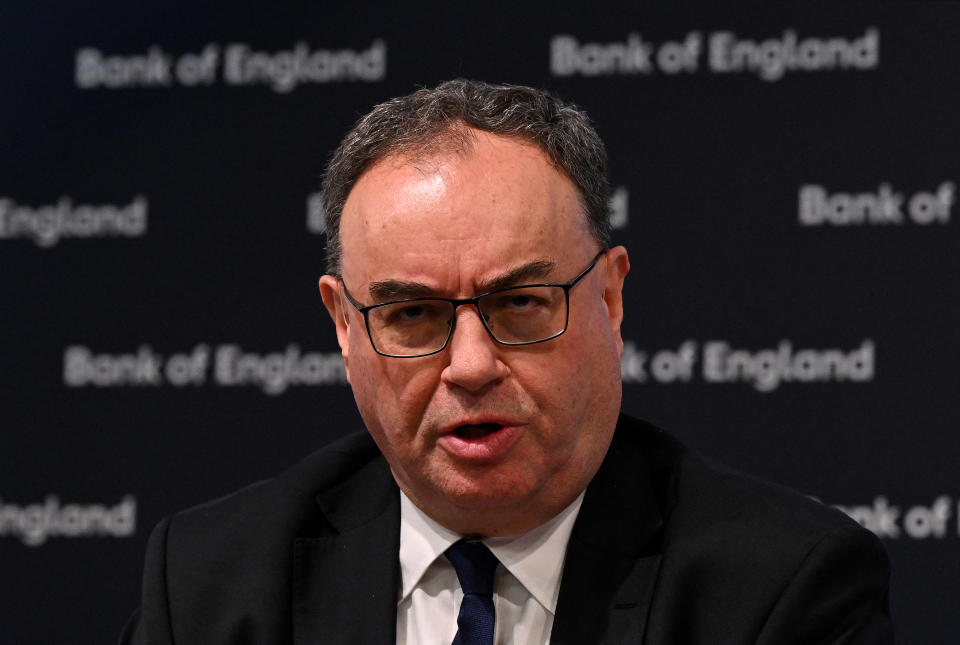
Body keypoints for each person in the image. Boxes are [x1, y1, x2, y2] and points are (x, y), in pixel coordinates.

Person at [120, 79, 893, 644]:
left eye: (520, 303)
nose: (471, 364)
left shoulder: (782, 591)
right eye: (413, 314)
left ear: (612, 299)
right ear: (344, 326)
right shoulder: (205, 588)